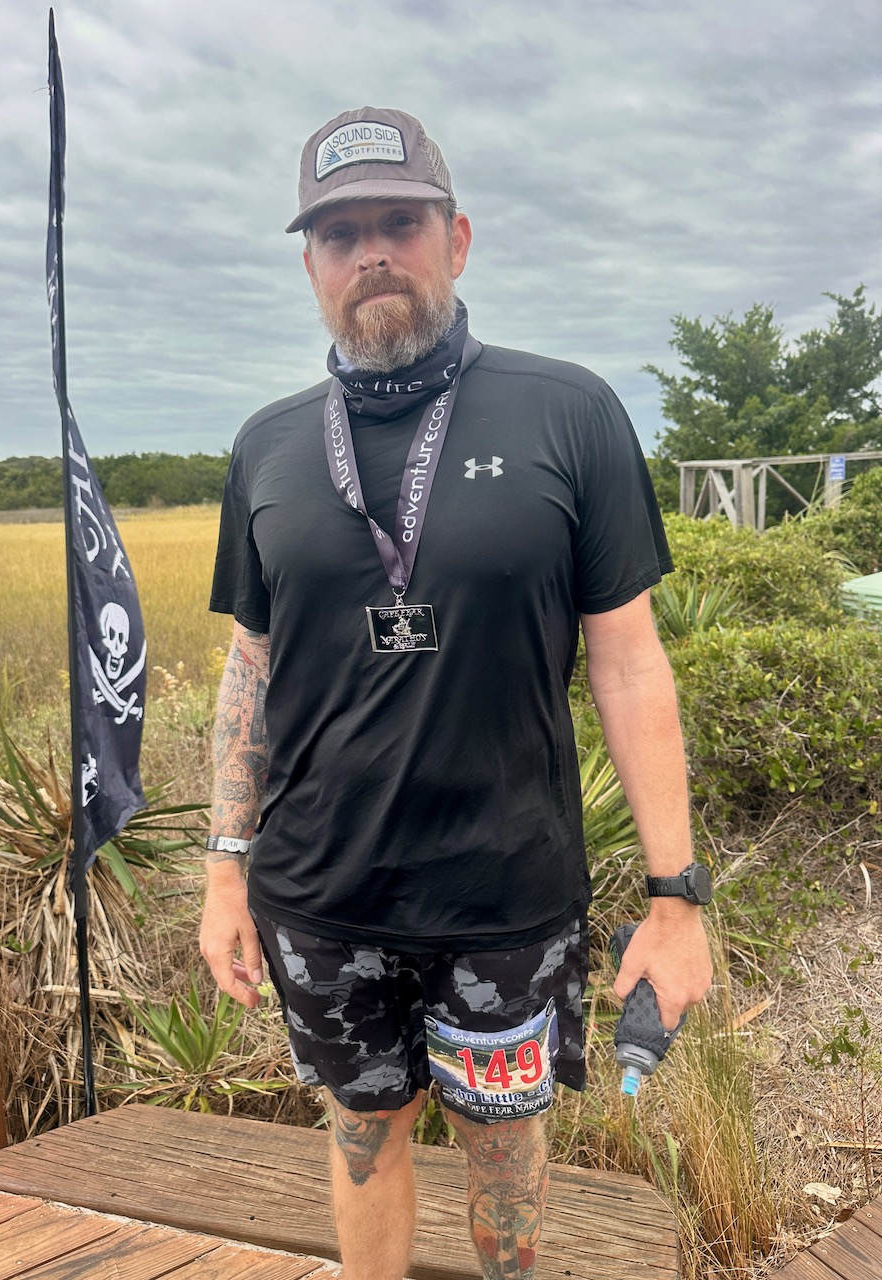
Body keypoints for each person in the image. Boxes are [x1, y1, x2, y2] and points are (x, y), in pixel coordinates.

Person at [200, 105, 713, 1280]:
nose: (372, 252)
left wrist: (676, 897)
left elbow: (630, 660)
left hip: (506, 897)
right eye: (341, 234)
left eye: (401, 222)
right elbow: (250, 665)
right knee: (363, 1130)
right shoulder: (267, 444)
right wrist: (225, 869)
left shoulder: (568, 411)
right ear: (311, 265)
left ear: (458, 239)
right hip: (319, 895)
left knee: (504, 1146)